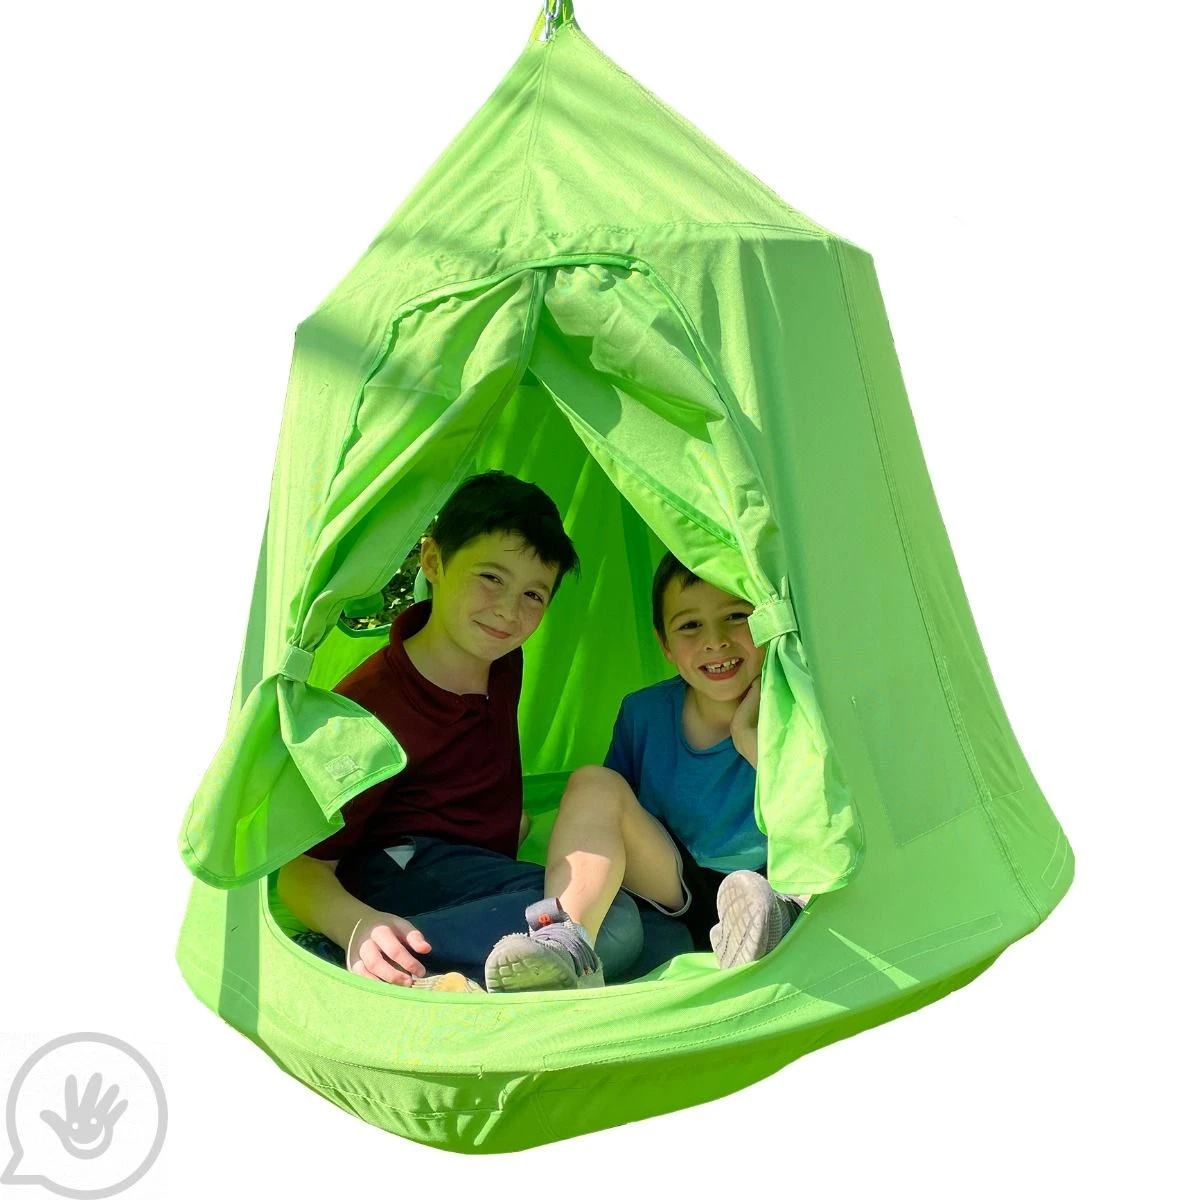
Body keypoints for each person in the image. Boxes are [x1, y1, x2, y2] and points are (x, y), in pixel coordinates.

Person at [278, 471, 641, 993]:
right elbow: (301, 869)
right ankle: (353, 960)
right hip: (398, 871)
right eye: (490, 577)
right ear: (433, 562)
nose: (508, 611)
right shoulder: (370, 708)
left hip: (465, 873)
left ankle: (458, 972)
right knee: (617, 924)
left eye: (533, 594)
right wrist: (355, 929)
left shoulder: (502, 659)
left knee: (650, 926)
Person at [484, 551, 811, 993]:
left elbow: (815, 815)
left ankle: (776, 923)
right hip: (673, 884)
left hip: (768, 883)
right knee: (593, 782)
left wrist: (749, 739)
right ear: (666, 645)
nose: (715, 641)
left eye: (736, 616)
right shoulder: (645, 713)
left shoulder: (795, 705)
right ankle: (566, 944)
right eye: (690, 625)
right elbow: (608, 822)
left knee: (760, 885)